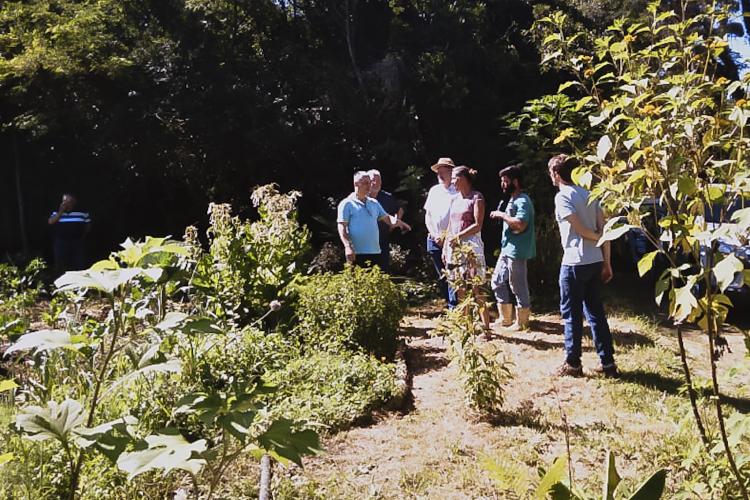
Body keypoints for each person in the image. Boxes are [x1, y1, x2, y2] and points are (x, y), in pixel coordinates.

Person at [548, 154, 617, 378]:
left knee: (571, 315)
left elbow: (580, 229)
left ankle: (573, 364)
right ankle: (608, 364)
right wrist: (607, 262)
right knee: (596, 314)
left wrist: (595, 238)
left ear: (556, 174)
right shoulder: (589, 194)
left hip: (574, 263)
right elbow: (605, 230)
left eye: (551, 173)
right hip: (595, 261)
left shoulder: (563, 196)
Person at [443, 166, 490, 332]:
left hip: (471, 247)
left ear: (464, 178)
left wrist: (459, 237)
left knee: (476, 286)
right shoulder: (455, 200)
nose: (452, 181)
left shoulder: (476, 197)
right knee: (460, 286)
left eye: (455, 178)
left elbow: (478, 225)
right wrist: (445, 248)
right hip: (455, 248)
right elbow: (450, 224)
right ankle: (465, 325)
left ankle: (485, 327)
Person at [490, 165, 536, 331]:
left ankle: (522, 323)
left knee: (518, 285)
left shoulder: (522, 200)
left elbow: (521, 225)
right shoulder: (513, 199)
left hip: (517, 251)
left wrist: (501, 215)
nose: (502, 184)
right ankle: (506, 318)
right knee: (497, 281)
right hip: (507, 248)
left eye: (505, 181)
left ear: (515, 182)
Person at [338, 171, 411, 267]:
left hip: (375, 252)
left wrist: (401, 224)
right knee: (358, 281)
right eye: (365, 183)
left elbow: (387, 218)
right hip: (356, 253)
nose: (369, 185)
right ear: (356, 183)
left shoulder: (374, 203)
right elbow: (342, 227)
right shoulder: (347, 204)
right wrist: (348, 247)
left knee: (376, 280)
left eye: (369, 182)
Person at [424, 157, 458, 309]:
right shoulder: (434, 190)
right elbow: (428, 215)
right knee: (442, 275)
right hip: (434, 239)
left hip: (451, 239)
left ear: (451, 172)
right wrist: (434, 234)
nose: (441, 174)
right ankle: (449, 303)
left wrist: (446, 237)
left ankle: (454, 307)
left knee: (453, 274)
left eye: (444, 171)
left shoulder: (457, 191)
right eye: (439, 171)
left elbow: (457, 217)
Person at [368, 169, 404, 272]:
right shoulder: (362, 197)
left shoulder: (387, 197)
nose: (376, 183)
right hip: (364, 243)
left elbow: (399, 210)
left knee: (383, 271)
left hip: (382, 241)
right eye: (373, 180)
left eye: (378, 180)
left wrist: (395, 223)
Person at [48, 193, 91, 275]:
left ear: (74, 202)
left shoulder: (82, 212)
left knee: (79, 264)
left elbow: (88, 225)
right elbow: (51, 222)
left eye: (69, 201)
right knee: (60, 265)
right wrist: (60, 212)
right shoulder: (56, 213)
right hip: (61, 242)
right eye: (64, 201)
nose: (66, 204)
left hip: (77, 242)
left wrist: (82, 235)